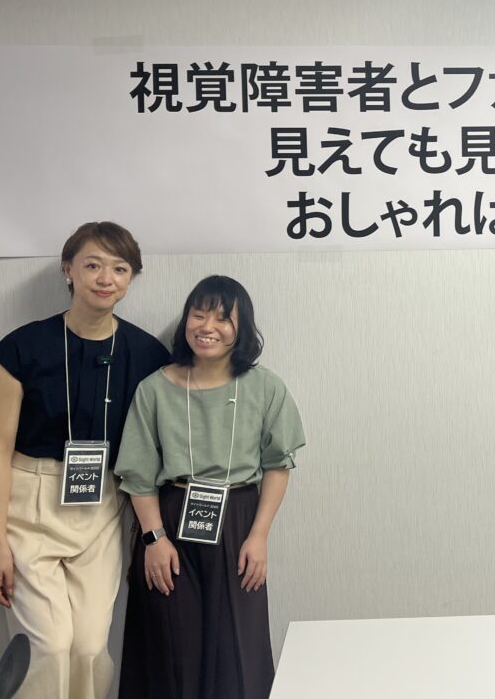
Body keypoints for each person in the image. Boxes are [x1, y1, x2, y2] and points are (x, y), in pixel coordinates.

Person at [0, 221, 171, 699]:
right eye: (92, 265)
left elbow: (154, 446)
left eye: (120, 268)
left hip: (103, 506)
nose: (105, 278)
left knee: (89, 647)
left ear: (132, 278)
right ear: (68, 270)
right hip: (30, 503)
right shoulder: (22, 349)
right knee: (48, 646)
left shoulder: (147, 355)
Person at [115, 275, 305, 699]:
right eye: (198, 315)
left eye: (222, 318)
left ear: (242, 327)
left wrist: (259, 536)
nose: (208, 327)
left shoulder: (264, 386)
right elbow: (138, 475)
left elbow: (278, 465)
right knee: (172, 649)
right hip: (169, 520)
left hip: (238, 519)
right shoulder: (154, 389)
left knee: (236, 651)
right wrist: (153, 539)